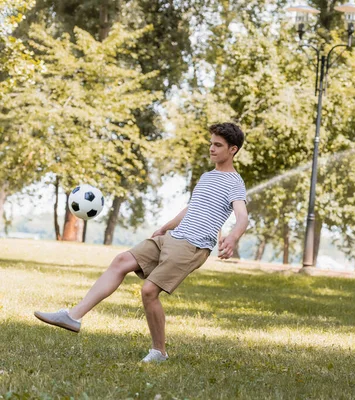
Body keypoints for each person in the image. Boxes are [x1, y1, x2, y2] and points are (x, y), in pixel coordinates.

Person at [34, 123, 249, 363]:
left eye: (217, 145)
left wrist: (232, 237)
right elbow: (192, 208)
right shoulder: (207, 177)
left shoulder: (235, 182)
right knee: (121, 260)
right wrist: (167, 226)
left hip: (193, 246)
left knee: (149, 291)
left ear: (233, 149)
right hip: (173, 237)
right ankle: (72, 316)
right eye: (211, 143)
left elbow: (242, 217)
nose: (211, 148)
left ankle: (159, 352)